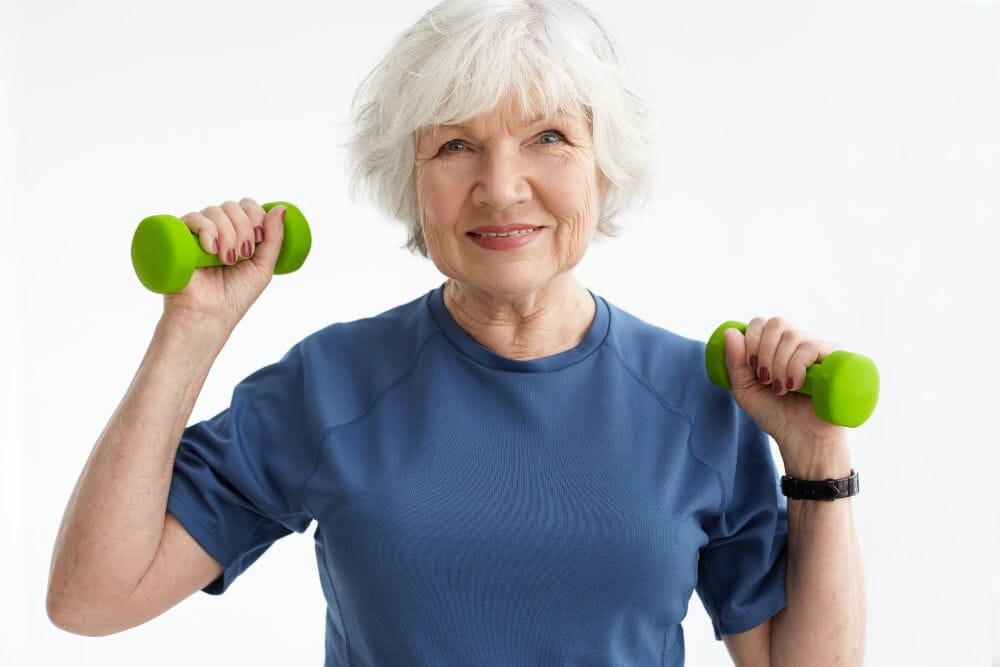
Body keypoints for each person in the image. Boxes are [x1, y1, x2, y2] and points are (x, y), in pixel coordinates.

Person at [47, 0, 865, 665]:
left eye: (548, 136)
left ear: (604, 164)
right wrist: (191, 329)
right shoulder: (331, 384)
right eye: (455, 146)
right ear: (412, 183)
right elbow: (93, 598)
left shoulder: (703, 398)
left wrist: (819, 460)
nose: (501, 187)